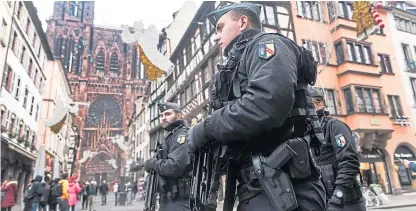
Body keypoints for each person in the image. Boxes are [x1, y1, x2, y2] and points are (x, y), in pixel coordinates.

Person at [187, 3, 326, 211]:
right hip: (257, 187)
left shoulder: (267, 45)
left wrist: (206, 127)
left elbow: (266, 103)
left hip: (286, 187)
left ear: (243, 22)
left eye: (220, 27)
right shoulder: (238, 64)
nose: (216, 36)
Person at [309, 87, 365, 211]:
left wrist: (338, 197)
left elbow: (349, 162)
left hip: (346, 202)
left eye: (310, 105)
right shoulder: (308, 132)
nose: (307, 110)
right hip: (323, 200)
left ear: (321, 104)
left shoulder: (335, 126)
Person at [142, 102, 191, 211]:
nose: (163, 118)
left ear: (179, 116)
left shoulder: (181, 135)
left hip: (180, 200)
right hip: (168, 200)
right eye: (161, 115)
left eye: (168, 114)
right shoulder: (170, 136)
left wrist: (152, 163)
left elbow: (174, 167)